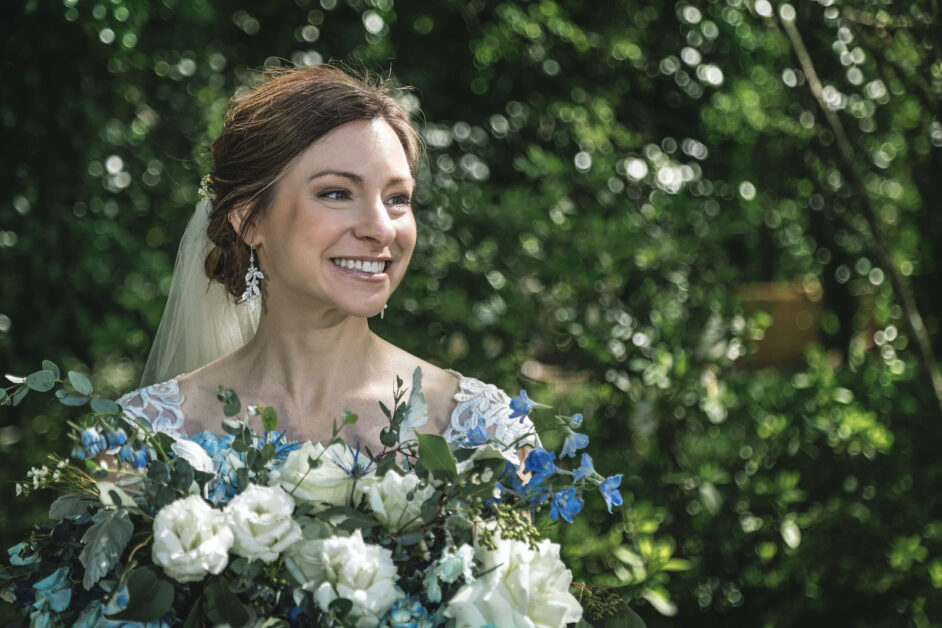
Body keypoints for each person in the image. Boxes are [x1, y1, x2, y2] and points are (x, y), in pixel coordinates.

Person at [117, 65, 537, 455]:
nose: (382, 229)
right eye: (336, 193)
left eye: (397, 199)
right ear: (249, 220)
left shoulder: (485, 433)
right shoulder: (146, 439)